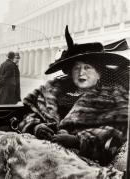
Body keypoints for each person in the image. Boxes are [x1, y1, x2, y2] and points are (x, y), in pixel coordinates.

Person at [18, 26, 129, 166]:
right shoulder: (51, 92)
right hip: (42, 150)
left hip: (81, 162)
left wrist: (77, 141)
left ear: (99, 72)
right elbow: (26, 113)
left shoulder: (114, 97)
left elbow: (118, 135)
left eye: (87, 67)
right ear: (70, 72)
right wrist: (36, 127)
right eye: (77, 68)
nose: (81, 73)